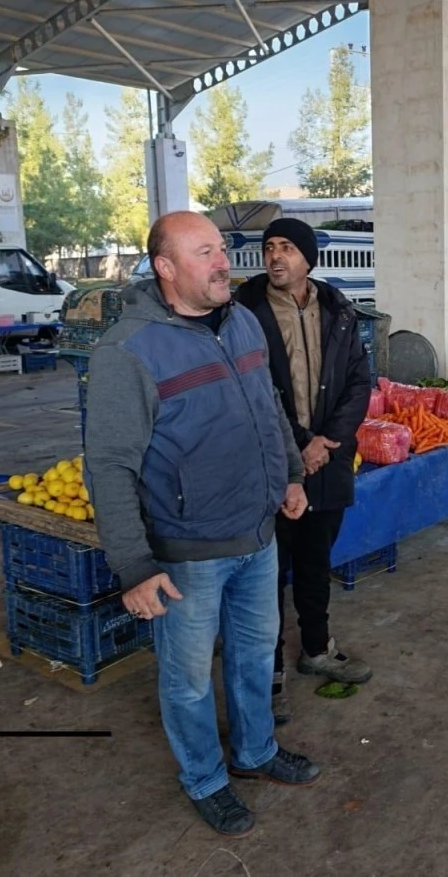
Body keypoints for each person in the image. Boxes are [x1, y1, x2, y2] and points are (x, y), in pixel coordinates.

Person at [84, 211, 322, 840]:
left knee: (252, 656)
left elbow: (269, 406)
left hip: (258, 534)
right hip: (189, 551)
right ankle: (205, 779)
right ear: (165, 268)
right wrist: (133, 567)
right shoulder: (128, 352)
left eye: (222, 249)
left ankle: (255, 752)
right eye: (204, 253)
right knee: (188, 679)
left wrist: (291, 475)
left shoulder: (242, 322)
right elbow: (108, 465)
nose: (224, 263)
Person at [234, 218, 374, 726]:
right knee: (265, 575)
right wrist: (300, 446)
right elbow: (249, 390)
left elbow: (360, 378)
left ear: (307, 258)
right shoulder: (242, 311)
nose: (274, 256)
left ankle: (317, 648)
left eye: (286, 248)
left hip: (328, 461)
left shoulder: (337, 308)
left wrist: (328, 441)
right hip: (271, 462)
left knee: (317, 560)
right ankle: (267, 674)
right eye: (269, 248)